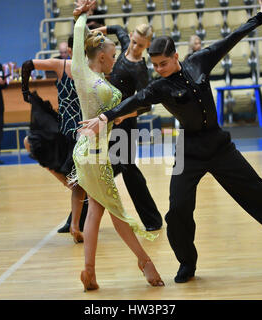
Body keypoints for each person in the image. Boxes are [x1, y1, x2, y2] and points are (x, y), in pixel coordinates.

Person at [81, 0, 262, 283]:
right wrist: (105, 118)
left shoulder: (200, 61)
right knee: (177, 209)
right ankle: (187, 263)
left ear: (176, 56)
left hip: (219, 146)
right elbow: (136, 100)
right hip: (188, 150)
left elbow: (231, 38)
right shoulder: (159, 86)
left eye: (163, 63)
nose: (159, 69)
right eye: (155, 65)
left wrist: (260, 18)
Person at [71, 0, 164, 291]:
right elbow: (122, 111)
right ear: (100, 58)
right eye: (112, 57)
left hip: (82, 152)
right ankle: (144, 262)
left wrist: (81, 17)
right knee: (119, 213)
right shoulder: (107, 90)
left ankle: (90, 271)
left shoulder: (80, 71)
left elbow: (77, 41)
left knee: (97, 209)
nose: (115, 61)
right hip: (98, 156)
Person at [91, 22, 163, 231]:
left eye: (140, 45)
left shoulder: (140, 69)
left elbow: (145, 105)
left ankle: (153, 220)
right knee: (107, 170)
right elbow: (116, 27)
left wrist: (124, 115)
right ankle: (76, 218)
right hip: (110, 119)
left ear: (147, 45)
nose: (134, 47)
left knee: (126, 169)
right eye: (133, 42)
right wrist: (94, 32)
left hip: (125, 124)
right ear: (130, 37)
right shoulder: (124, 45)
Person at [21, 36, 88, 243]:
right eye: (74, 48)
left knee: (80, 185)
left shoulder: (92, 69)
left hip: (83, 131)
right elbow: (27, 64)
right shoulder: (61, 65)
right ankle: (68, 184)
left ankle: (75, 225)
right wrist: (25, 90)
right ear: (68, 50)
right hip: (63, 128)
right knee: (29, 142)